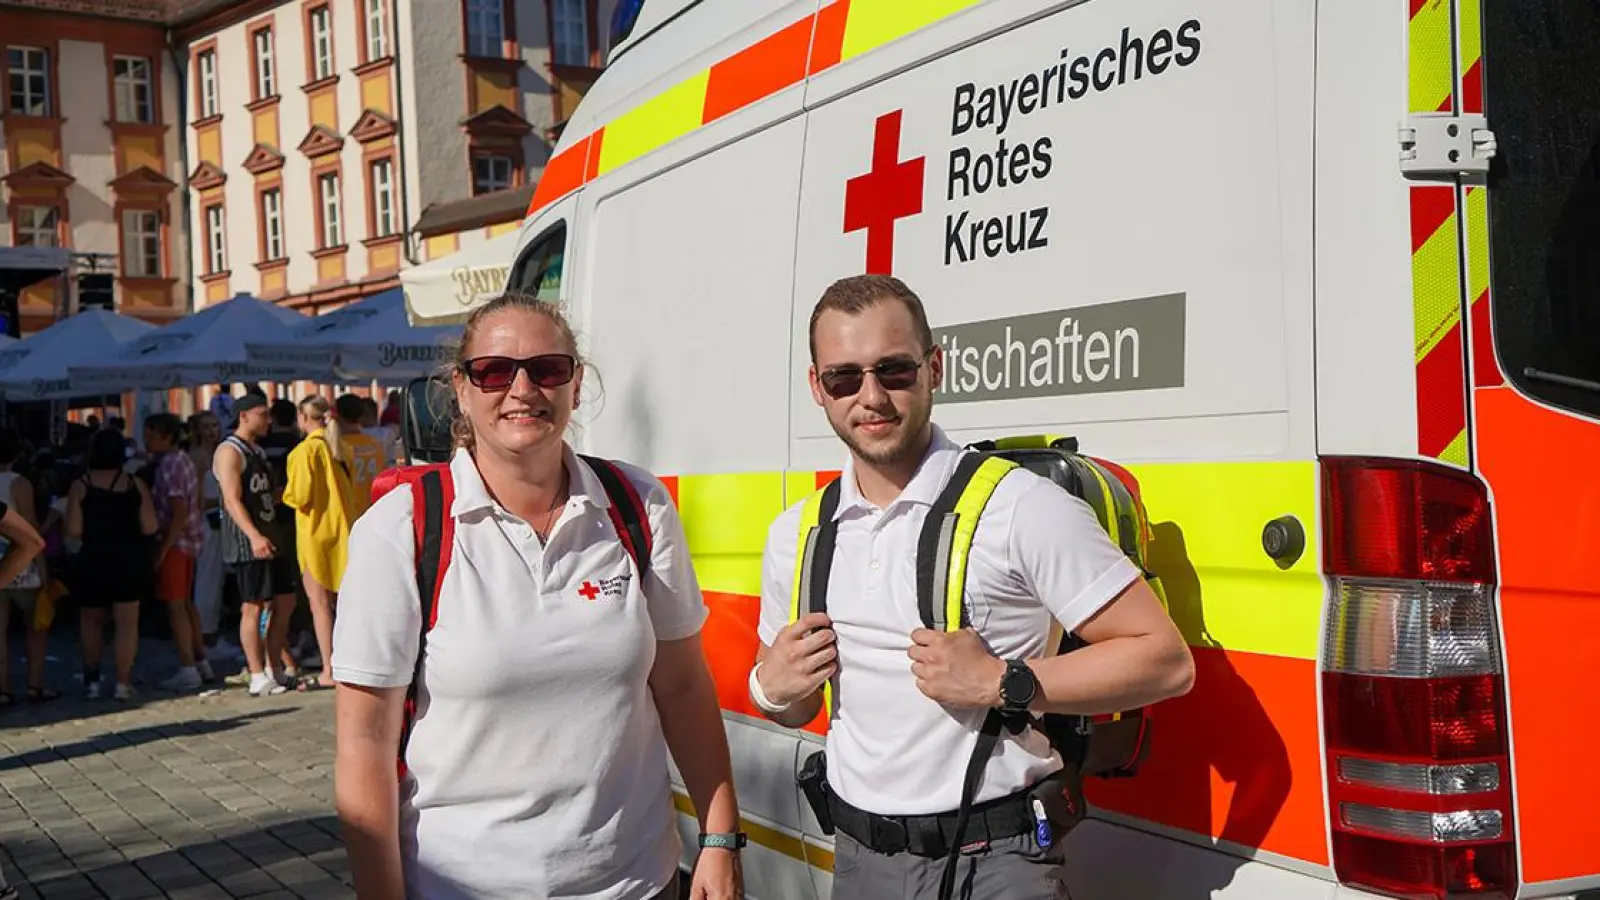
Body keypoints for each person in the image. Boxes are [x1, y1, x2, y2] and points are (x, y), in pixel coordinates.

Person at [752, 275, 1196, 900]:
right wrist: (770, 689)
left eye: (894, 370)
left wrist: (1002, 681)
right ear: (817, 387)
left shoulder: (1020, 507)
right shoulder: (796, 533)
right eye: (844, 378)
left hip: (995, 865)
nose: (871, 397)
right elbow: (794, 707)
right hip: (859, 863)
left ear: (934, 368)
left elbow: (1167, 661)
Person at [330, 292, 742, 900]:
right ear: (461, 389)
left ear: (576, 383)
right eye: (494, 371)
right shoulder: (402, 529)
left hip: (636, 883)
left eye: (547, 369)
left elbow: (682, 686)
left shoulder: (637, 505)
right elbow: (364, 744)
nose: (522, 389)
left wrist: (720, 836)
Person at [213, 394, 300, 697]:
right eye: (262, 414)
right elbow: (231, 499)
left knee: (285, 600)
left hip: (271, 532)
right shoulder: (229, 451)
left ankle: (274, 667)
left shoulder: (257, 450)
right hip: (247, 540)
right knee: (253, 605)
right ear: (244, 416)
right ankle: (256, 673)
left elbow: (262, 494)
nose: (268, 420)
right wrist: (253, 535)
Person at [67, 428, 160, 701]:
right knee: (126, 623)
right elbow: (150, 526)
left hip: (93, 558)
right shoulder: (134, 484)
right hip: (128, 559)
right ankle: (122, 682)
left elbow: (73, 530)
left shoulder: (80, 485)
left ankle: (92, 682)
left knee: (90, 621)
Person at [283, 396, 355, 690]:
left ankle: (329, 668)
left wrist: (281, 494)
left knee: (320, 606)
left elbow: (299, 496)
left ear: (303, 418)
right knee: (345, 604)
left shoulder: (304, 451)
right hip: (343, 530)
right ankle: (350, 662)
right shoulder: (341, 447)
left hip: (315, 534)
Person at [146, 413, 214, 692]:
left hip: (177, 542)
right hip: (192, 540)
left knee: (176, 607)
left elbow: (179, 511)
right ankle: (200, 661)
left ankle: (188, 667)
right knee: (187, 604)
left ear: (166, 437)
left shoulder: (169, 464)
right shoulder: (184, 459)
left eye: (151, 435)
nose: (147, 440)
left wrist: (163, 549)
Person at [0, 430, 49, 709]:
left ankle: (3, 688)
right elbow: (31, 529)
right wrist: (42, 566)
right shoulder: (19, 483)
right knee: (35, 626)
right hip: (21, 565)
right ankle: (34, 683)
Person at [333, 393, 386, 513]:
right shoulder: (376, 445)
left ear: (337, 416)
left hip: (348, 511)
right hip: (372, 509)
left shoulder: (337, 447)